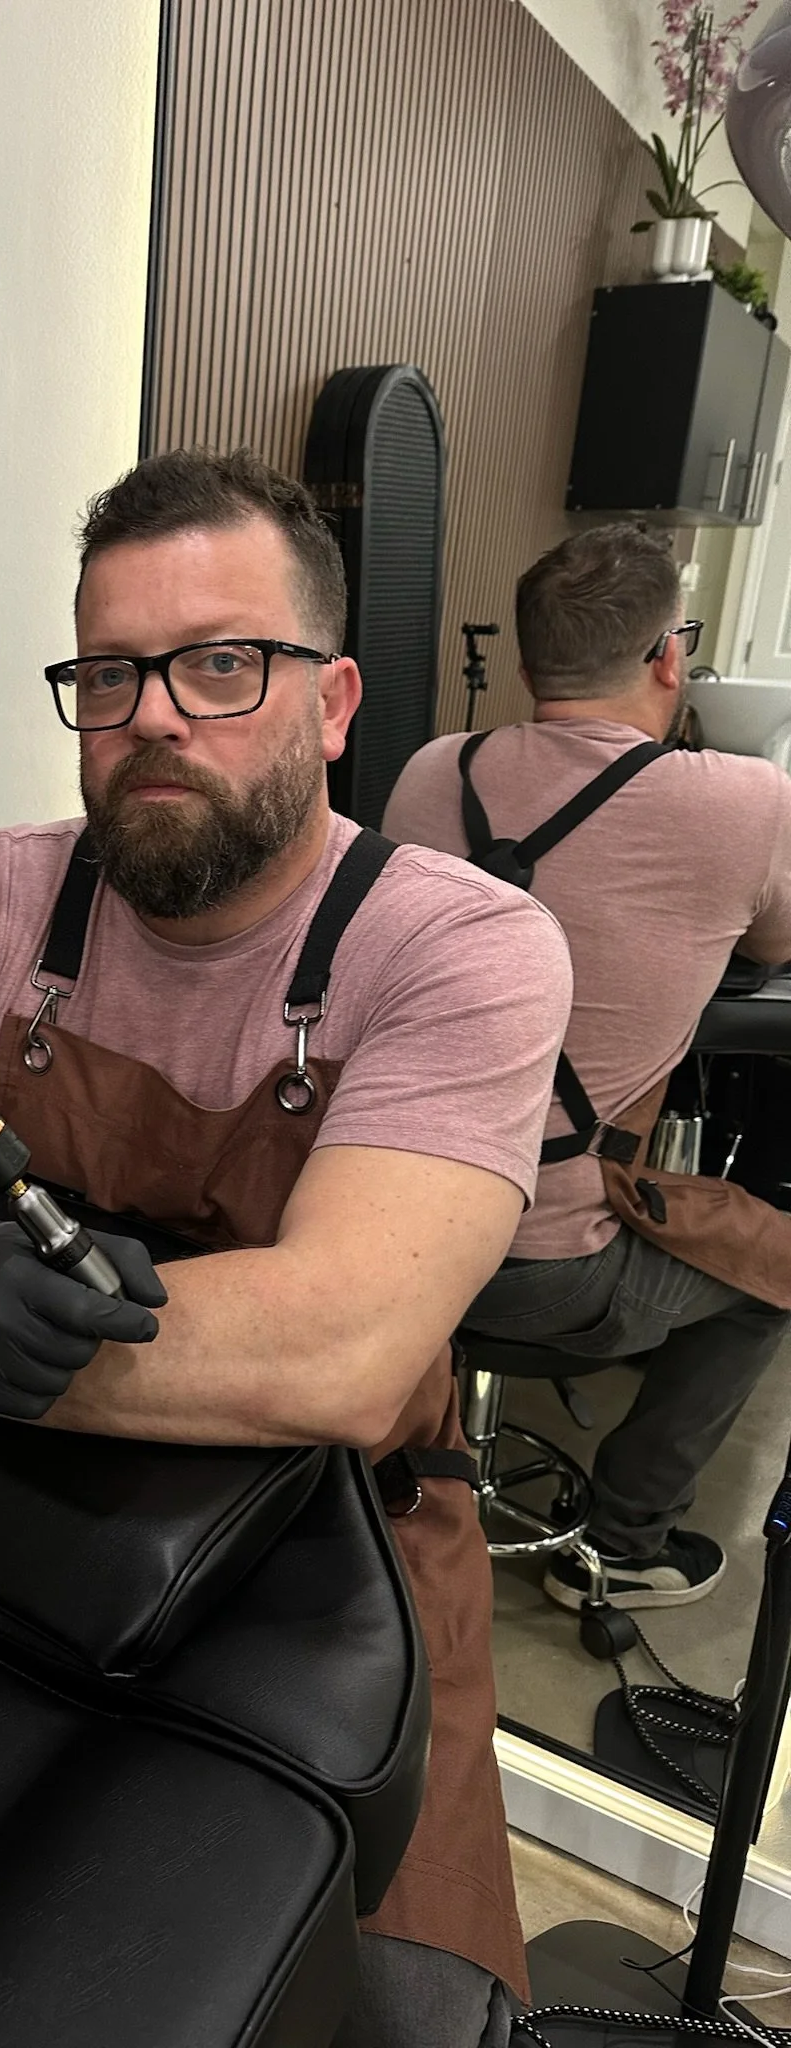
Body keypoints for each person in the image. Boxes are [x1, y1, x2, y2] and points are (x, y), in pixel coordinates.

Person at [0, 449, 573, 2045]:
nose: (156, 715)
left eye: (222, 663)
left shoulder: (460, 946)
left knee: (378, 2000)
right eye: (110, 673)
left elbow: (336, 1349)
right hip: (35, 1529)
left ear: (332, 703)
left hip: (346, 1578)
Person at [384, 523, 791, 1615]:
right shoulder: (747, 802)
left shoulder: (433, 771)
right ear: (671, 656)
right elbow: (774, 948)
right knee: (775, 1273)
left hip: (379, 1225)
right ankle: (622, 1544)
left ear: (526, 667)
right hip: (543, 1265)